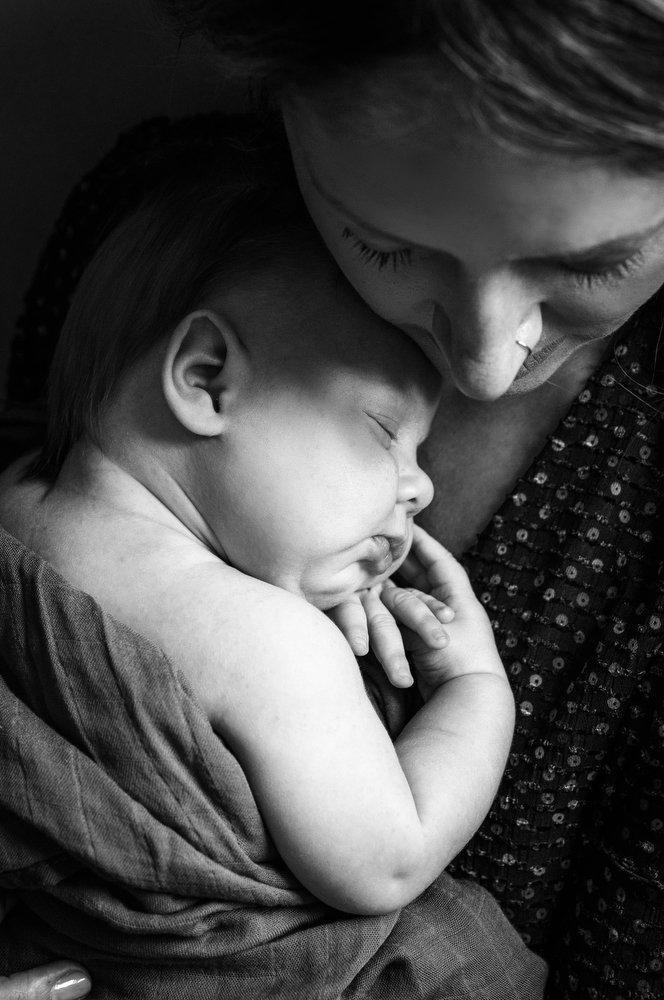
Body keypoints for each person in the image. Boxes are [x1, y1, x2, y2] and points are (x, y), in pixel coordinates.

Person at [5, 0, 664, 995]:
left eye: (592, 262)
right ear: (205, 377)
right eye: (384, 247)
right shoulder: (275, 645)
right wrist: (478, 692)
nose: (485, 367)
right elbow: (388, 857)